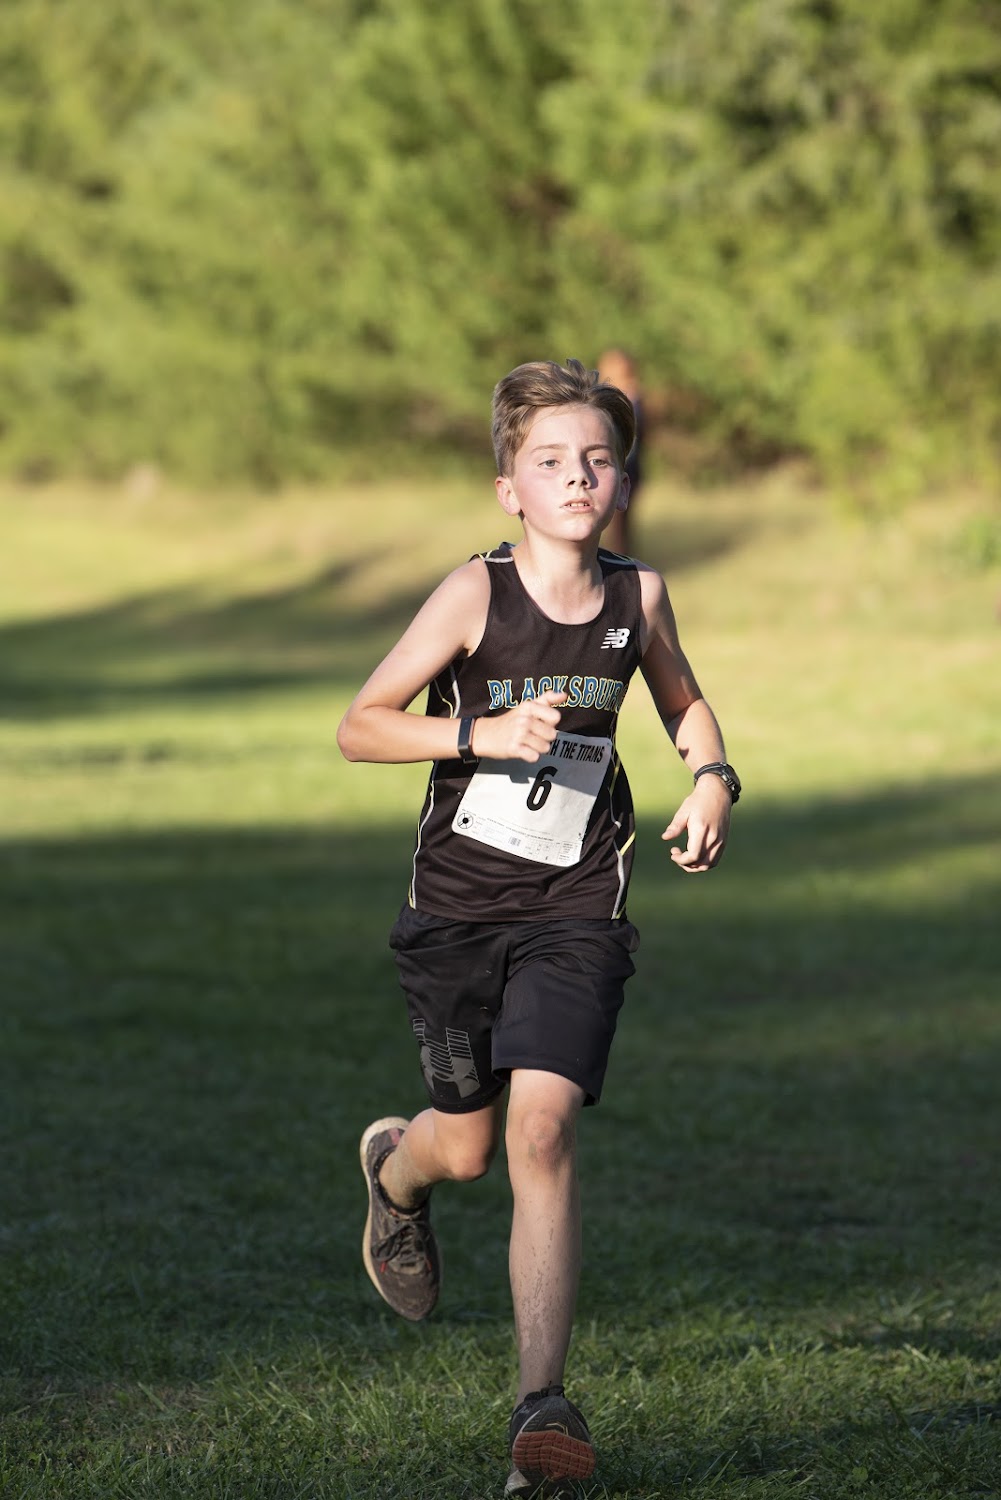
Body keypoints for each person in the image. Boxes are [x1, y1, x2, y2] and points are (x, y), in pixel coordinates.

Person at [336, 357, 739, 1498]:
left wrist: (711, 776)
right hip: (458, 910)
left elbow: (680, 698)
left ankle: (540, 1412)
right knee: (466, 1147)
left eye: (597, 460)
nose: (576, 478)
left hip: (578, 902)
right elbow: (361, 726)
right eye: (550, 461)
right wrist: (477, 737)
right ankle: (397, 1174)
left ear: (622, 482)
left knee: (544, 1131)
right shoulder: (475, 595)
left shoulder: (637, 596)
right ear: (508, 487)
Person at [596, 349, 643, 556]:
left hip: (626, 470)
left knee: (619, 527)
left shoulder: (630, 402)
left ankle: (620, 562)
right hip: (620, 470)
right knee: (615, 527)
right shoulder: (623, 400)